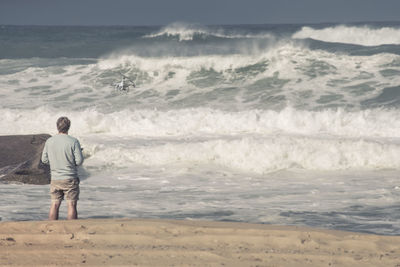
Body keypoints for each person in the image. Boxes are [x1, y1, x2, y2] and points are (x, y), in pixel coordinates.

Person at [41, 117, 84, 220]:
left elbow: (44, 160)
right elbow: (79, 161)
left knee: (54, 204)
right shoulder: (73, 141)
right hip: (70, 178)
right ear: (69, 127)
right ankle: (71, 229)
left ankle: (52, 229)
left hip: (55, 178)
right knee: (71, 205)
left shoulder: (49, 141)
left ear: (57, 127)